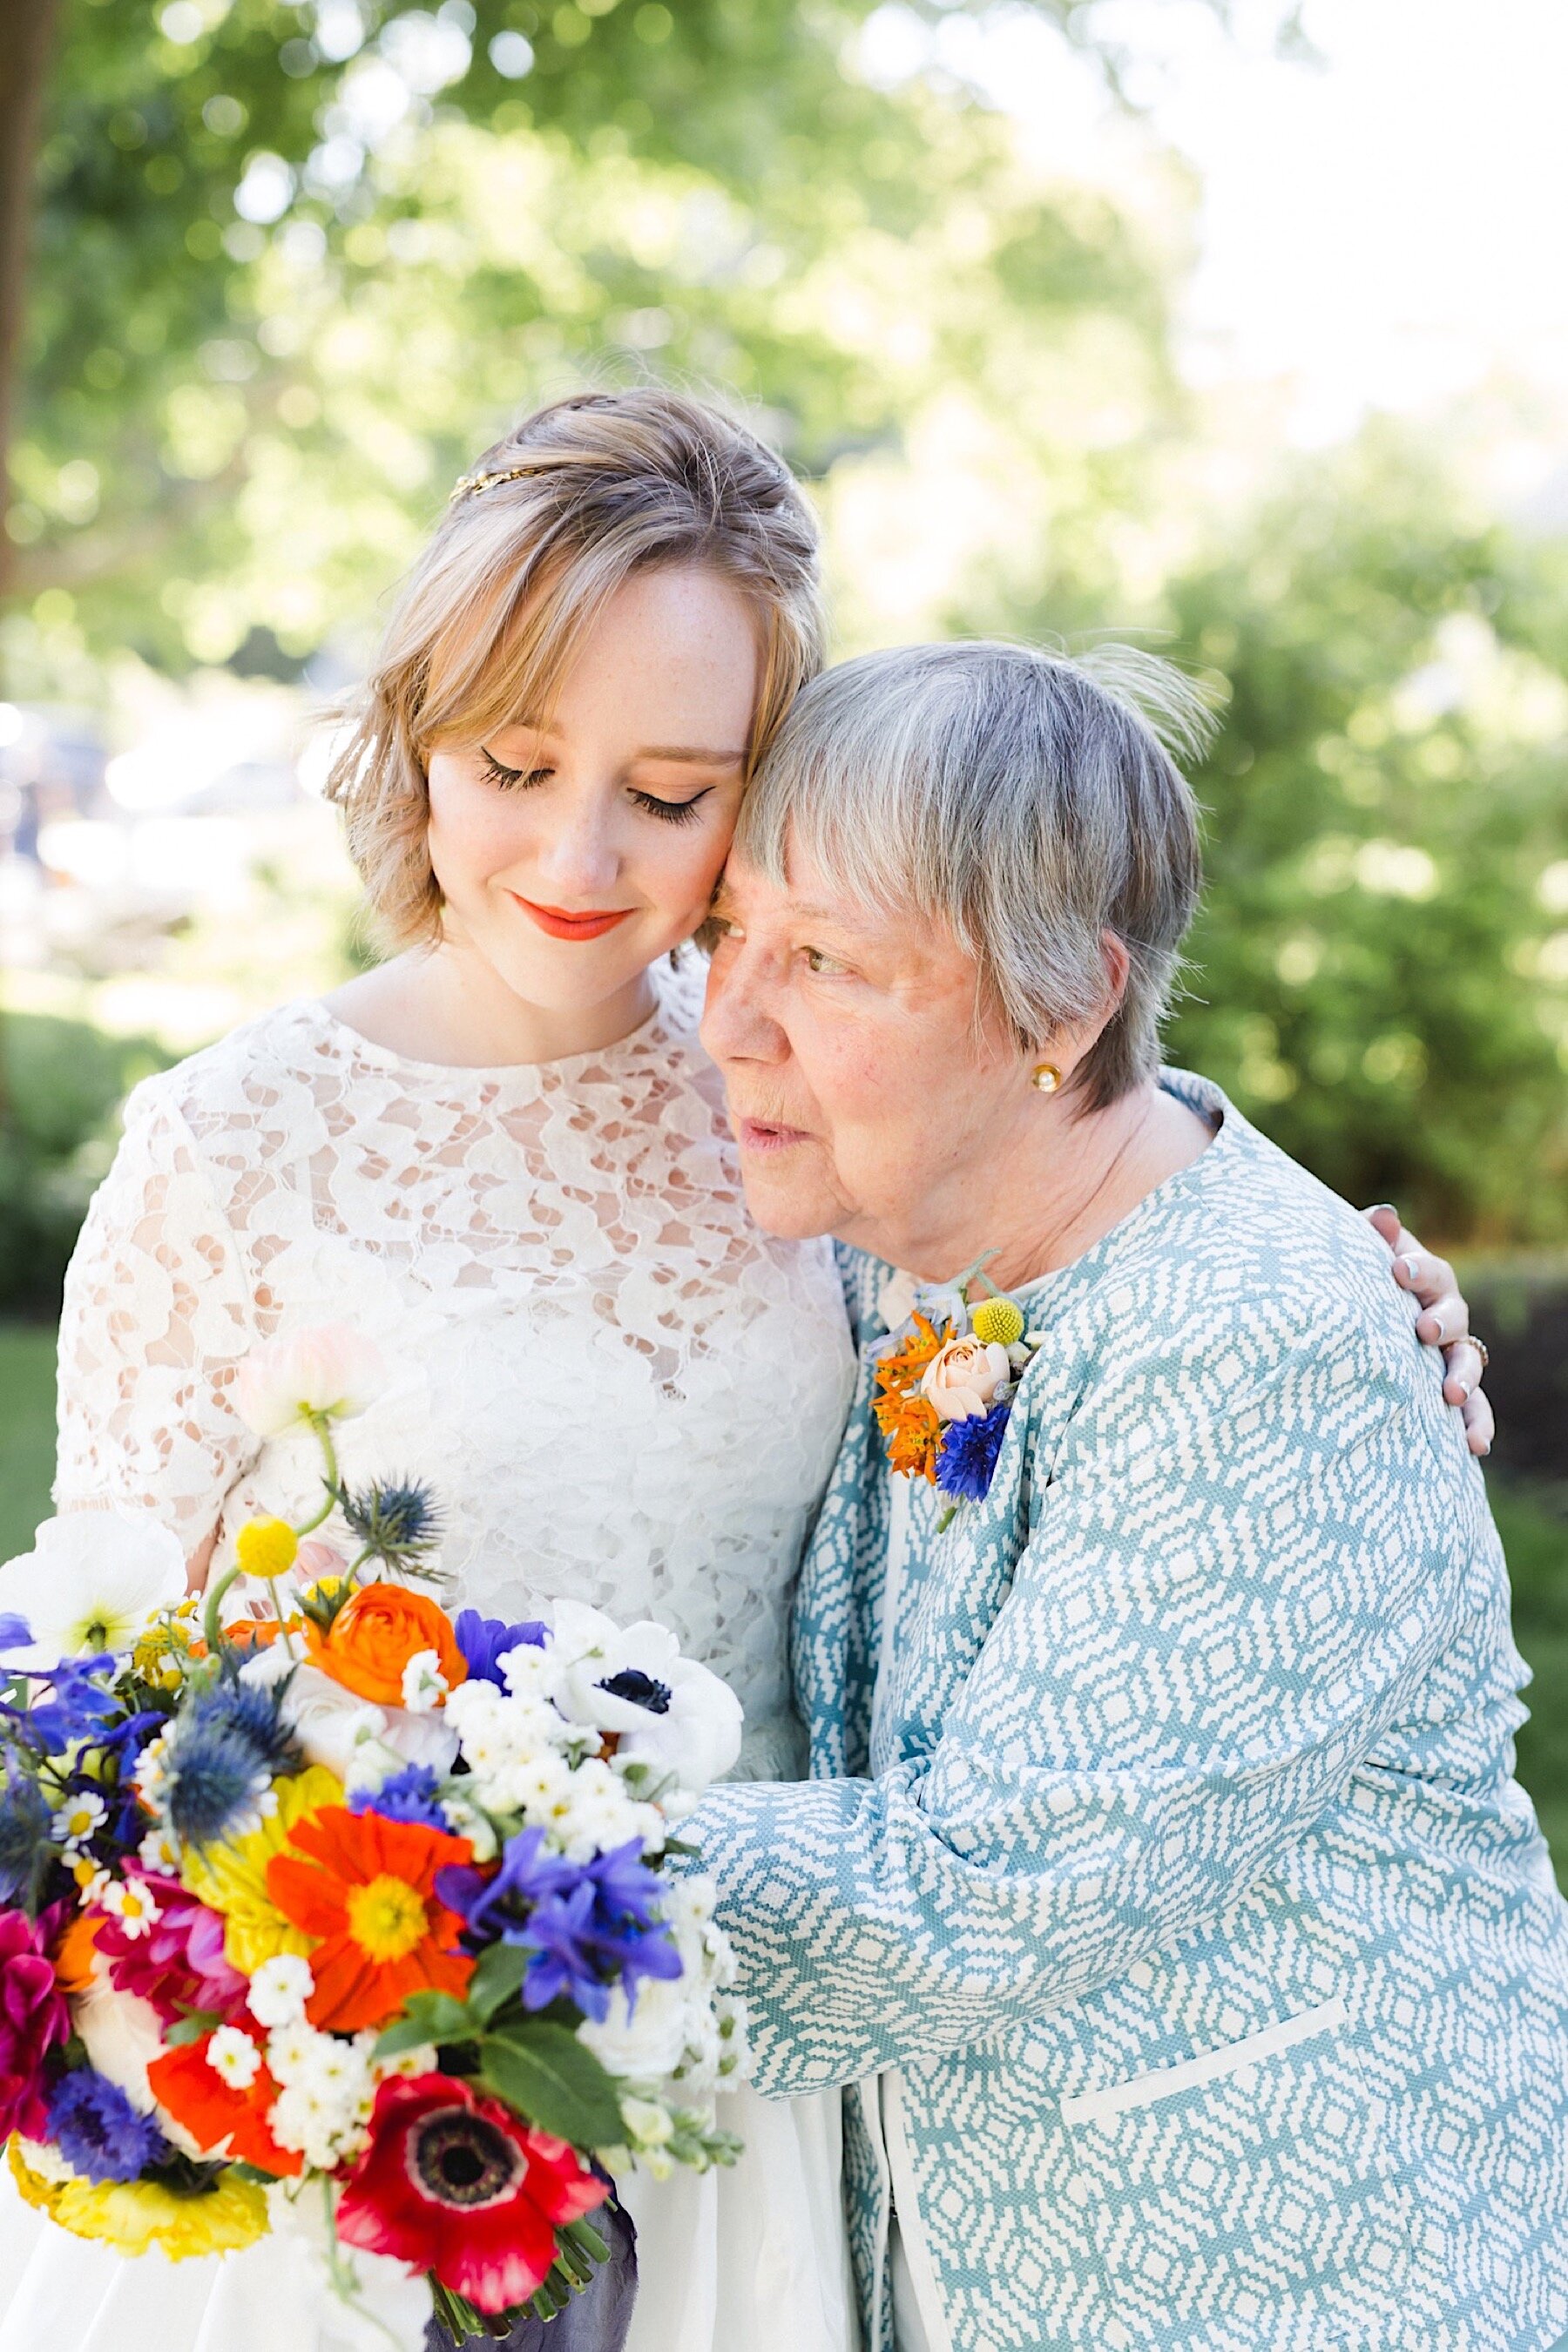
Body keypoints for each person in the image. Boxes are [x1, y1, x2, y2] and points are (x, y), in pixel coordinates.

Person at [0, 391, 1488, 2352]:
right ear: (418, 734)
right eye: (519, 761)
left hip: (783, 2086)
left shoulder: (785, 1073)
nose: (579, 854)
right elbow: (100, 1699)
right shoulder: (233, 1148)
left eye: (677, 791)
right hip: (377, 2080)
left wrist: (1310, 1265)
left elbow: (1051, 1182)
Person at [687, 638, 1566, 2352]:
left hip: (1295, 2286)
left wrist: (448, 1868)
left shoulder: (1259, 1341)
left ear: (1062, 1009)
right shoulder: (928, 1218)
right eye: (732, 929)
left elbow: (975, 1891)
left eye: (824, 959)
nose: (729, 1014)